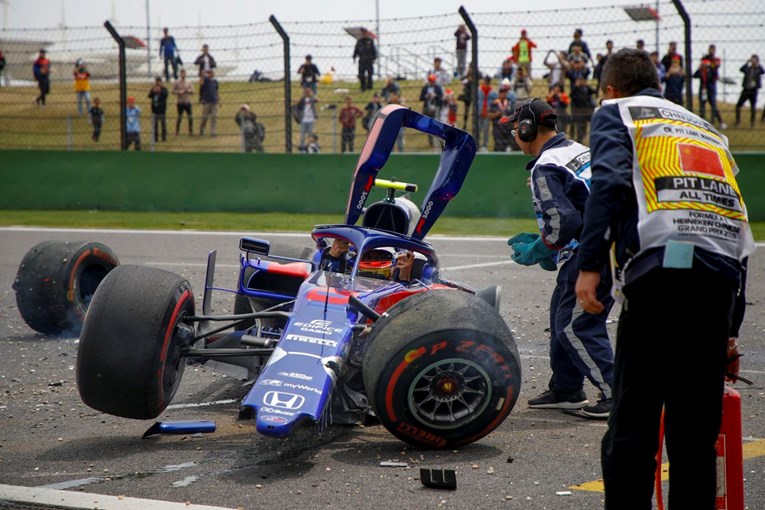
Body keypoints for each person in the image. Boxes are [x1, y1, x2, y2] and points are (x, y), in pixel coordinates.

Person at [574, 48, 754, 509]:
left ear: (611, 88)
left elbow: (609, 183)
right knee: (694, 432)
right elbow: (735, 215)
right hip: (720, 274)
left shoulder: (618, 112)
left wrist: (589, 265)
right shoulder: (707, 128)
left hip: (660, 273)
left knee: (632, 424)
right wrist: (731, 328)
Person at [501, 98, 615, 419]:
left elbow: (564, 223)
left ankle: (616, 392)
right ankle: (566, 388)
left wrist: (539, 249)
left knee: (574, 326)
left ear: (527, 128)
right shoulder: (577, 149)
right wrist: (552, 243)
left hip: (589, 252)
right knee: (560, 316)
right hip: (607, 244)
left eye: (515, 128)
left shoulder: (545, 165)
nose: (514, 134)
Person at [693, 45, 725, 128]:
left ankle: (718, 121)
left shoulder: (715, 61)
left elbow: (716, 70)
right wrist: (701, 67)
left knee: (713, 104)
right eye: (710, 49)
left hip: (711, 87)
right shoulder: (703, 63)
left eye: (713, 49)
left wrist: (709, 65)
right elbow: (695, 75)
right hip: (703, 87)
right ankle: (702, 121)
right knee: (702, 104)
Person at [735, 54, 764, 127]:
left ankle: (752, 123)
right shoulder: (748, 68)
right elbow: (741, 69)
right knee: (738, 105)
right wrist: (746, 62)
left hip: (753, 91)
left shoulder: (758, 69)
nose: (753, 61)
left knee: (753, 107)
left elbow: (763, 71)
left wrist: (758, 64)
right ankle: (738, 121)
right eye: (752, 59)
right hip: (746, 90)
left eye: (754, 60)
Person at [488, 79, 515, 152]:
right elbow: (489, 116)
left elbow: (513, 115)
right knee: (498, 146)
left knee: (510, 146)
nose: (503, 94)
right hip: (497, 128)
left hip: (508, 129)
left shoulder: (509, 103)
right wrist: (498, 114)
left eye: (505, 92)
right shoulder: (494, 104)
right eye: (501, 92)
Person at [569, 76, 596, 144]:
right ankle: (579, 141)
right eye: (580, 80)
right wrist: (576, 86)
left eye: (583, 80)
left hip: (587, 110)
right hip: (579, 111)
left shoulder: (586, 88)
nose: (582, 82)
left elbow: (594, 91)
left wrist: (587, 85)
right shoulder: (575, 89)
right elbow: (571, 95)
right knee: (580, 127)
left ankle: (584, 138)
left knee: (585, 127)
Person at [420, 74, 444, 147]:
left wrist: (436, 95)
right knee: (428, 125)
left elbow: (441, 97)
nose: (431, 82)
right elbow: (421, 98)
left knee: (436, 124)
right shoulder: (425, 87)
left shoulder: (438, 87)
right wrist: (426, 96)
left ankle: (438, 140)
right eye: (430, 81)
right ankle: (431, 141)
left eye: (432, 81)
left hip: (436, 107)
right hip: (427, 108)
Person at [476, 75, 497, 151]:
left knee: (485, 130)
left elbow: (496, 100)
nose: (487, 82)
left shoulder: (492, 91)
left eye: (488, 81)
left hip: (487, 114)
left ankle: (484, 146)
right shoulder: (479, 90)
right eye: (486, 81)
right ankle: (477, 145)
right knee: (477, 130)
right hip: (479, 113)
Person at [172, 68, 194, 135]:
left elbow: (192, 91)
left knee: (190, 117)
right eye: (182, 73)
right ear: (180, 74)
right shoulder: (177, 82)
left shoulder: (189, 82)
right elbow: (173, 91)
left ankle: (190, 131)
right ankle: (177, 131)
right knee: (179, 117)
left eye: (184, 73)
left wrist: (187, 91)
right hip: (180, 102)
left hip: (187, 102)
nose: (183, 74)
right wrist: (178, 92)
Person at [148, 76, 168, 142]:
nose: (158, 83)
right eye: (157, 81)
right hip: (155, 110)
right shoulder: (153, 88)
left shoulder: (164, 88)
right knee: (155, 125)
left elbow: (166, 95)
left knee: (163, 124)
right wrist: (153, 91)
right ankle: (155, 138)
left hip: (162, 110)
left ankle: (164, 138)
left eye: (159, 81)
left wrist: (160, 91)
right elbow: (149, 96)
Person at [199, 69, 219, 136]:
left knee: (214, 117)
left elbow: (216, 91)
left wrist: (218, 99)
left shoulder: (215, 81)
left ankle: (213, 131)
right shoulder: (206, 80)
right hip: (207, 101)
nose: (211, 74)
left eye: (212, 73)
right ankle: (202, 129)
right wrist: (203, 74)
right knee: (205, 117)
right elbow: (201, 83)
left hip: (214, 101)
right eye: (210, 73)